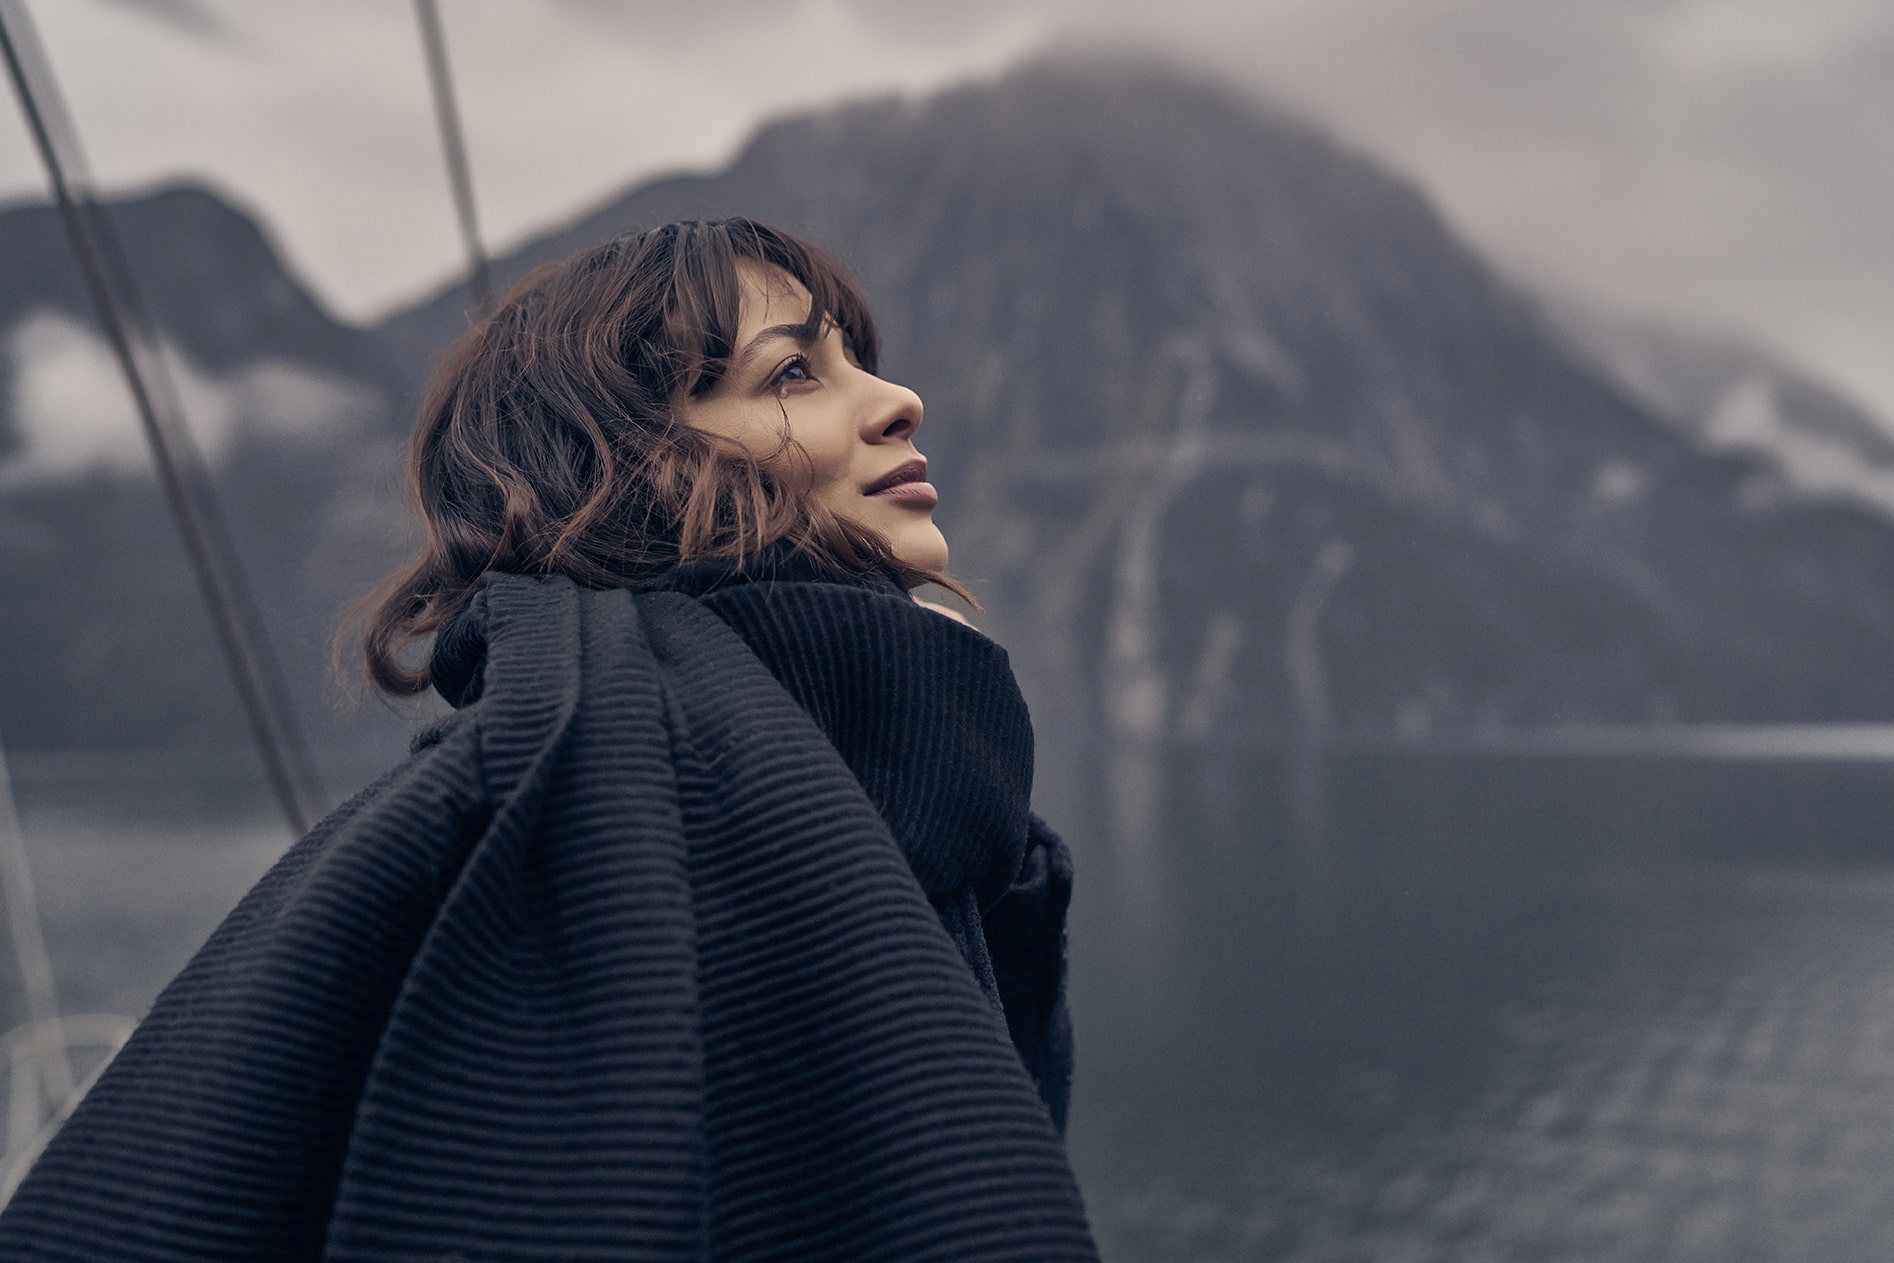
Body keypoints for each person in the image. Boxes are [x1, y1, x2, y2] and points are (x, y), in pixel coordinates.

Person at [0, 218, 1100, 1261]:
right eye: (794, 373)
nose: (901, 400)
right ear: (629, 461)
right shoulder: (599, 790)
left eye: (858, 361)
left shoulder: (912, 806)